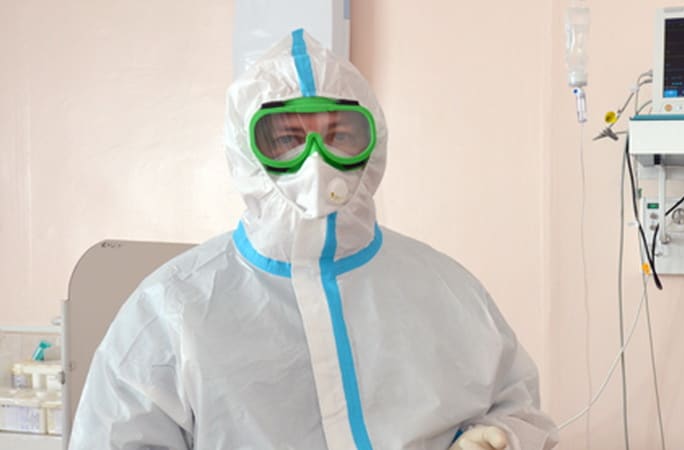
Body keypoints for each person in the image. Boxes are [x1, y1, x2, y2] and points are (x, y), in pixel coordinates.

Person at [69, 29, 558, 450]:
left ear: (373, 142)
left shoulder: (447, 291)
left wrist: (500, 436)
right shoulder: (170, 311)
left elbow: (520, 409)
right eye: (286, 140)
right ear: (245, 150)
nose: (316, 162)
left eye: (339, 135)